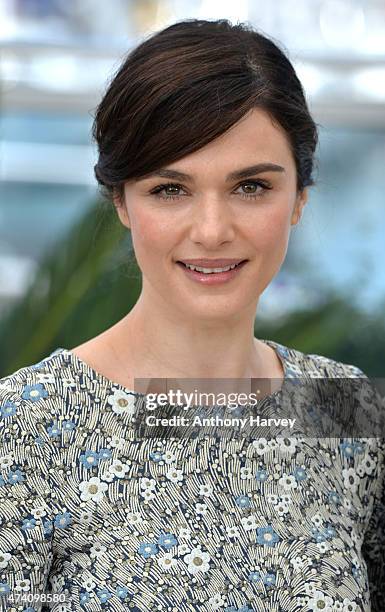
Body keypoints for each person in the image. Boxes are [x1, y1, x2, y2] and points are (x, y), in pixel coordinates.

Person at [0, 18, 383, 612]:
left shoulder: (347, 410)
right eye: (170, 189)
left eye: (251, 186)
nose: (211, 231)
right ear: (121, 201)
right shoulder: (22, 430)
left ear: (300, 199)